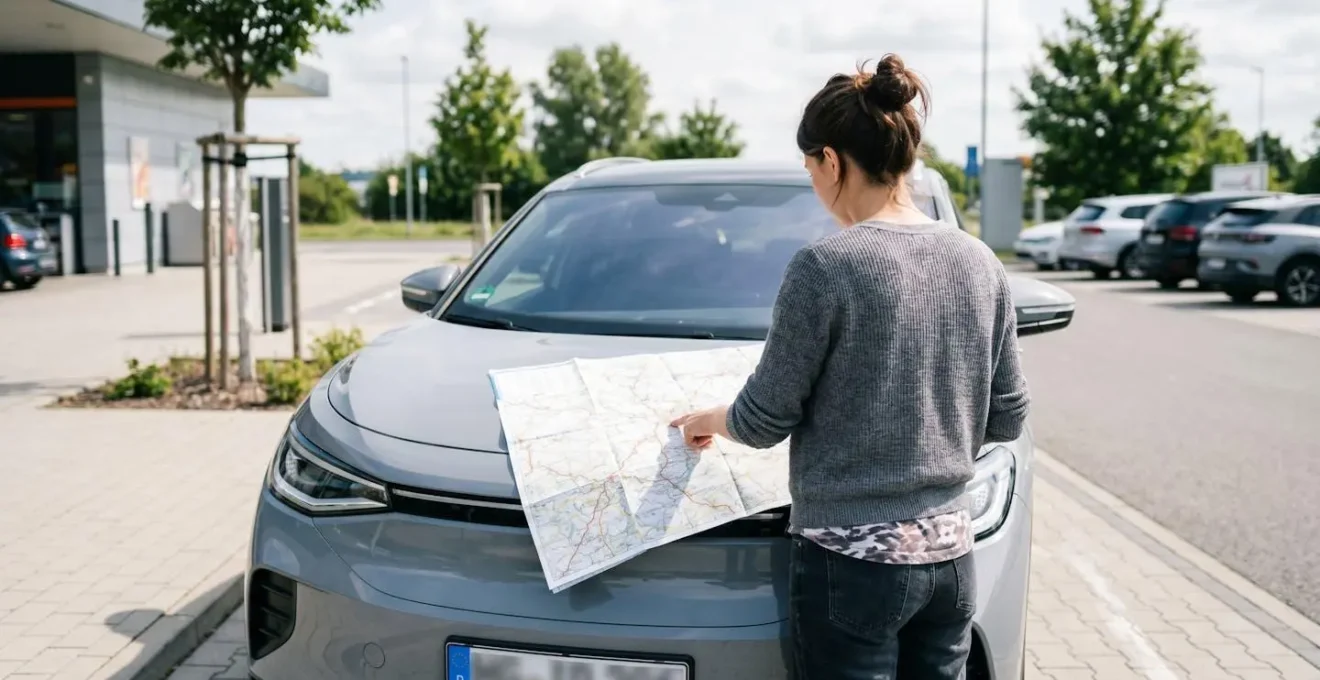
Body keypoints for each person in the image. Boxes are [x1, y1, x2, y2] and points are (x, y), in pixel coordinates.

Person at [669, 54, 1030, 679]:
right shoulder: (980, 263)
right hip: (951, 558)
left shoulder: (826, 266)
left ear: (831, 162)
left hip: (852, 561)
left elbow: (764, 420)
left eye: (811, 168)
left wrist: (709, 419)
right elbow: (1009, 415)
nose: (814, 185)